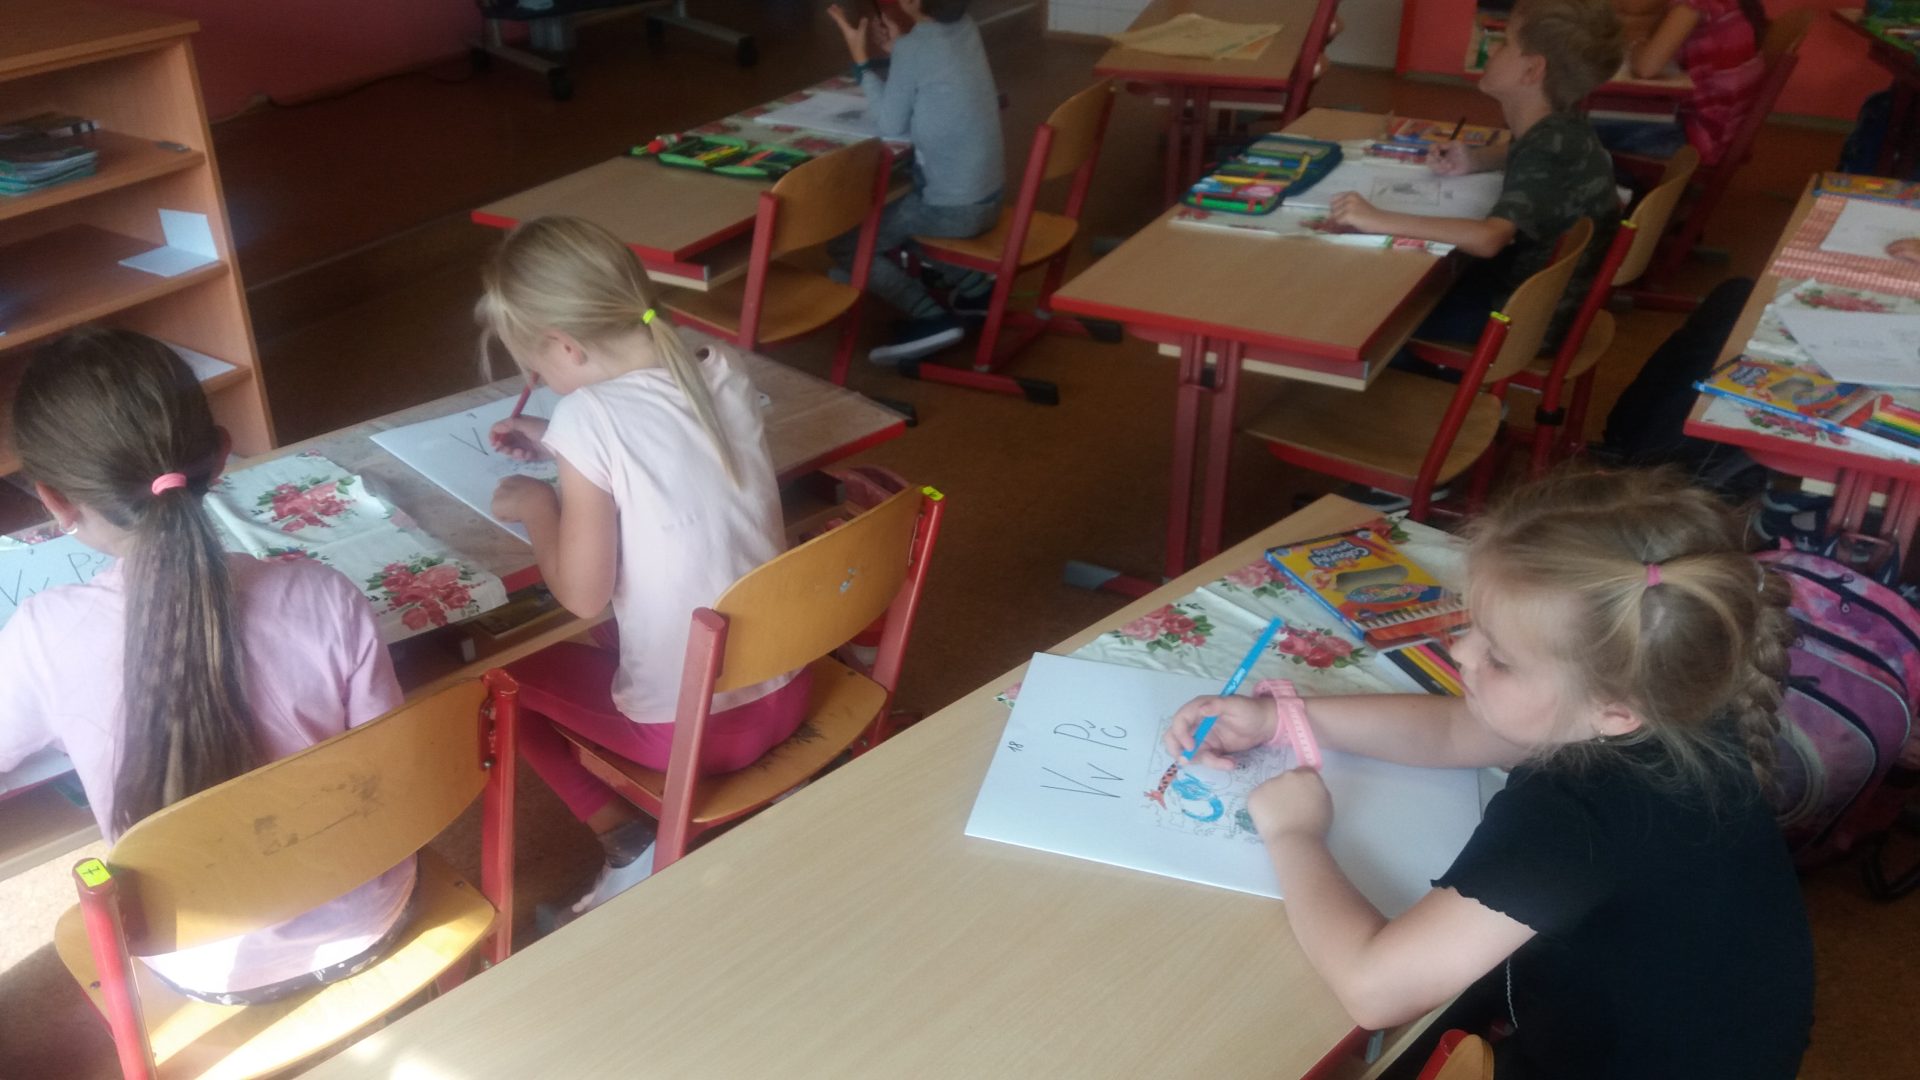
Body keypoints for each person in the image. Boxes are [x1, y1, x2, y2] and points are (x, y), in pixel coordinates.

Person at [1165, 469, 1813, 1078]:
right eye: (1474, 625)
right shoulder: (1673, 696)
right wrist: (1281, 719)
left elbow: (1374, 989)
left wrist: (1294, 835)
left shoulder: (1580, 816)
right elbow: (1459, 731)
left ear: (1614, 709)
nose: (1460, 651)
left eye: (1498, 658)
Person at [0, 328, 410, 1005]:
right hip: (369, 919)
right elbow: (389, 764)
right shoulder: (326, 595)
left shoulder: (41, 636)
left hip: (200, 965)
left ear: (53, 501)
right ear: (220, 457)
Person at [479, 216, 811, 922]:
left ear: (566, 346)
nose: (542, 384)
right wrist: (559, 443)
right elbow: (664, 456)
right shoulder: (718, 366)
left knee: (493, 676)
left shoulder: (588, 417)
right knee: (617, 632)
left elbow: (582, 595)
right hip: (788, 688)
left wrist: (538, 503)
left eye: (538, 371)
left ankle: (627, 843)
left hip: (697, 732)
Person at [1329, 0, 1624, 352]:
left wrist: (1376, 219)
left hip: (1517, 325)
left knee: (1363, 317)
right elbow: (1533, 158)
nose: (1492, 50)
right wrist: (1476, 159)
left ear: (1532, 70)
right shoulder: (1562, 124)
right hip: (1539, 306)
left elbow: (1489, 238)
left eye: (1504, 43)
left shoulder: (1546, 148)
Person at [827, 0, 1005, 365]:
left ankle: (930, 318)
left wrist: (862, 61)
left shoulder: (915, 47)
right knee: (897, 212)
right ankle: (976, 292)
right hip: (988, 198)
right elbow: (935, 78)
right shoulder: (966, 28)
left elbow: (890, 125)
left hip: (953, 211)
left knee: (848, 244)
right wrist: (900, 52)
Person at [1595, 0, 1765, 165]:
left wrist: (1635, 44)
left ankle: (1614, 178)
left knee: (1588, 126)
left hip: (1698, 139)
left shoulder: (1693, 4)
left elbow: (1646, 68)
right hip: (1717, 130)